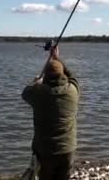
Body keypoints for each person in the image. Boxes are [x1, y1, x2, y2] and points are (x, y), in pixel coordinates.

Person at [21, 46, 80, 180]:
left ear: (46, 76)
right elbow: (72, 76)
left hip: (45, 150)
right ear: (62, 75)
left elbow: (25, 93)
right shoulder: (72, 91)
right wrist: (57, 57)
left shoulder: (38, 93)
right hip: (68, 149)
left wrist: (36, 81)